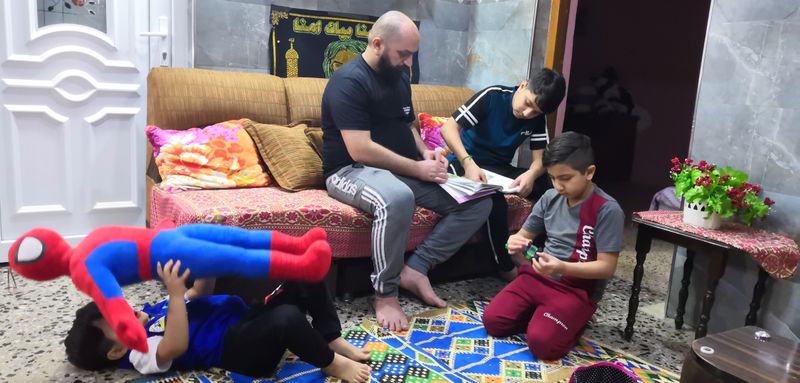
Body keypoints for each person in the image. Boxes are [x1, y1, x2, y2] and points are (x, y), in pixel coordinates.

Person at [320, 10, 492, 331]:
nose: (409, 63)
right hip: (350, 170)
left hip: (400, 170)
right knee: (397, 197)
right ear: (377, 44)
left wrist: (426, 152)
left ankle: (417, 268)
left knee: (479, 200)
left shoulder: (399, 78)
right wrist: (418, 168)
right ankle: (385, 293)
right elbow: (360, 148)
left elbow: (406, 124)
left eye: (413, 54)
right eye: (404, 54)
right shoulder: (348, 82)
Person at [64, 264, 372, 382]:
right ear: (116, 351)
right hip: (239, 350)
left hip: (244, 319)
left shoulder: (151, 310)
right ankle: (331, 363)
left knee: (305, 272)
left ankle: (329, 336)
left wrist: (206, 266)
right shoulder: (138, 352)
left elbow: (199, 292)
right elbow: (174, 346)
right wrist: (173, 295)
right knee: (287, 317)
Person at [481, 132, 624, 360]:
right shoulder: (549, 197)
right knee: (493, 321)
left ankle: (573, 320)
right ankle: (545, 316)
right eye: (553, 178)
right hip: (536, 278)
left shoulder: (607, 210)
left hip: (574, 289)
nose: (558, 185)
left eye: (565, 178)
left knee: (543, 345)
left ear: (589, 172)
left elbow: (607, 268)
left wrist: (562, 268)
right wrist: (513, 242)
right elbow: (523, 236)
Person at [440, 68, 566, 280]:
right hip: (464, 163)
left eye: (535, 111)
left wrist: (532, 174)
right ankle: (504, 265)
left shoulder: (536, 117)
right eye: (527, 104)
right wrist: (468, 163)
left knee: (553, 186)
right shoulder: (493, 96)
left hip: (498, 167)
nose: (528, 114)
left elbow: (542, 159)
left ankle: (545, 252)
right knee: (493, 200)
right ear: (523, 85)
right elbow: (448, 129)